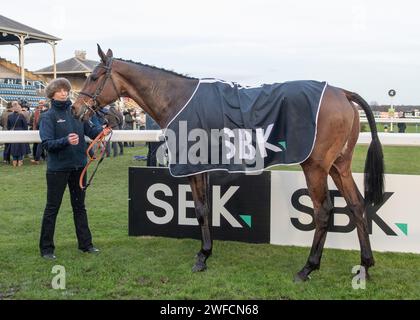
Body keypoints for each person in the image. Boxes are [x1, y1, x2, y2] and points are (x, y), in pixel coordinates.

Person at [39, 78, 111, 260]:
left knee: (80, 207)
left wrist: (102, 131)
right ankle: (47, 249)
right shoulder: (48, 116)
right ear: (52, 94)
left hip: (79, 166)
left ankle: (86, 245)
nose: (64, 93)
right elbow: (47, 144)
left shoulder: (78, 112)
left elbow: (91, 132)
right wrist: (65, 141)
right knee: (52, 208)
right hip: (58, 169)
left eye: (66, 90)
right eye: (59, 90)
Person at [7, 101, 28, 167]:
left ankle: (14, 160)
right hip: (21, 132)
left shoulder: (9, 116)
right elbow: (25, 126)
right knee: (20, 147)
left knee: (14, 147)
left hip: (13, 132)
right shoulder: (21, 116)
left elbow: (8, 126)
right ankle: (20, 160)